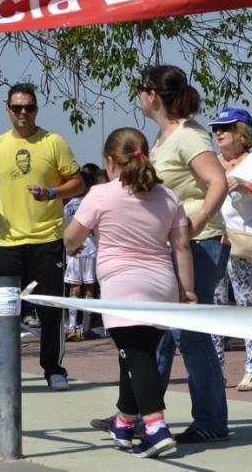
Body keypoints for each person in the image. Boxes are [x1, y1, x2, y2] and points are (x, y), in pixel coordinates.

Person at [65, 127, 195, 458]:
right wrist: (188, 290)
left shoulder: (100, 194)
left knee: (136, 356)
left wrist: (79, 243)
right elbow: (181, 246)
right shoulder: (168, 197)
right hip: (162, 285)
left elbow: (69, 239)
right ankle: (124, 422)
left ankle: (155, 427)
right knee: (136, 356)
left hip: (122, 287)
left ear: (110, 162)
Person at [0, 83, 84, 392]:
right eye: (17, 108)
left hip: (47, 241)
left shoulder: (53, 142)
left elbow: (78, 182)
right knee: (1, 310)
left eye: (28, 107)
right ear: (8, 110)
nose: (23, 113)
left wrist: (53, 192)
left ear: (36, 110)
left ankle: (54, 370)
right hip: (8, 243)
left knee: (50, 310)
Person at [138, 65, 229, 444]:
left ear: (153, 95)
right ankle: (142, 413)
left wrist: (198, 218)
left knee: (190, 335)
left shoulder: (190, 136)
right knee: (160, 334)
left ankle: (210, 420)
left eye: (141, 89)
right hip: (173, 246)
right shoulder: (163, 138)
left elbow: (217, 182)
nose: (139, 97)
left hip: (200, 244)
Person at [208, 108, 252, 392]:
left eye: (225, 128)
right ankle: (216, 367)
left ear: (242, 133)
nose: (218, 133)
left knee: (247, 303)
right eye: (216, 129)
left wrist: (246, 185)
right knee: (214, 305)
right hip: (214, 238)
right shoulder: (210, 162)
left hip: (245, 238)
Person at [63, 170, 98, 342]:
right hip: (90, 247)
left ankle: (71, 327)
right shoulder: (91, 203)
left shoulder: (68, 206)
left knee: (74, 288)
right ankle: (84, 328)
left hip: (74, 249)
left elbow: (64, 228)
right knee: (89, 287)